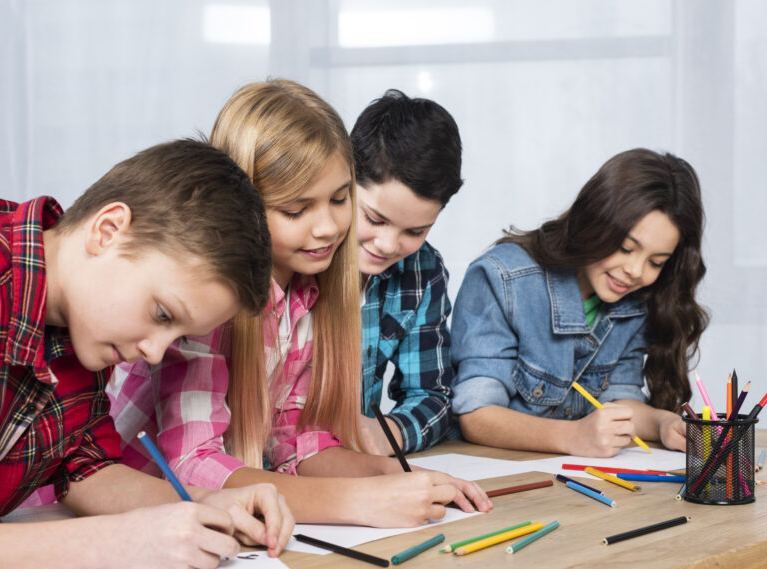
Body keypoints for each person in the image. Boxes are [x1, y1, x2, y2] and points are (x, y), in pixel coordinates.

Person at [108, 80, 491, 527]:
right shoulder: (205, 301)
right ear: (242, 205)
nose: (328, 227)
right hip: (130, 515)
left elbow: (296, 441)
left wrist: (394, 474)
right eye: (296, 210)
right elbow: (192, 463)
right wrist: (355, 503)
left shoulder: (308, 291)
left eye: (339, 199)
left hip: (209, 527)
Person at [0, 139, 293, 569]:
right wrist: (113, 542)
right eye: (162, 314)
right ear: (107, 231)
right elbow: (110, 530)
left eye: (177, 334)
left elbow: (88, 470)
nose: (154, 352)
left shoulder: (84, 335)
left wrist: (207, 502)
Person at [451, 148, 709, 457]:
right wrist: (574, 436)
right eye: (627, 248)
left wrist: (664, 424)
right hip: (493, 478)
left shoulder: (636, 300)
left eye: (656, 262)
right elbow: (476, 416)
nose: (635, 272)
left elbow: (620, 403)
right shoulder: (504, 278)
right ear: (595, 222)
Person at [352, 89, 464, 456]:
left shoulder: (423, 270)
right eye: (374, 218)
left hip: (356, 465)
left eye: (415, 231)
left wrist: (387, 434)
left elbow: (432, 394)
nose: (387, 244)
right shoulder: (304, 252)